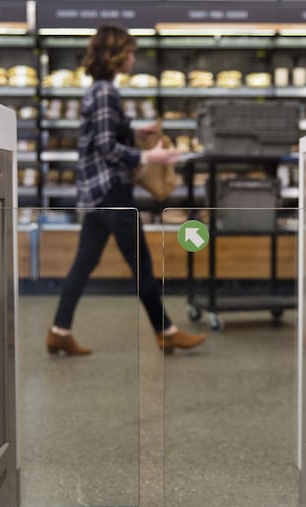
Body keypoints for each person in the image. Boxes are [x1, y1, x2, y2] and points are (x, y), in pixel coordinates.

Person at [45, 24, 205, 357]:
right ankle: (167, 332)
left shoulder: (98, 90)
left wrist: (134, 130)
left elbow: (104, 135)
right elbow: (105, 146)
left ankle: (59, 331)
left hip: (96, 193)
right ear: (115, 55)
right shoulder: (106, 92)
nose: (133, 57)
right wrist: (150, 154)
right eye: (129, 51)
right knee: (141, 265)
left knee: (83, 264)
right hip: (112, 192)